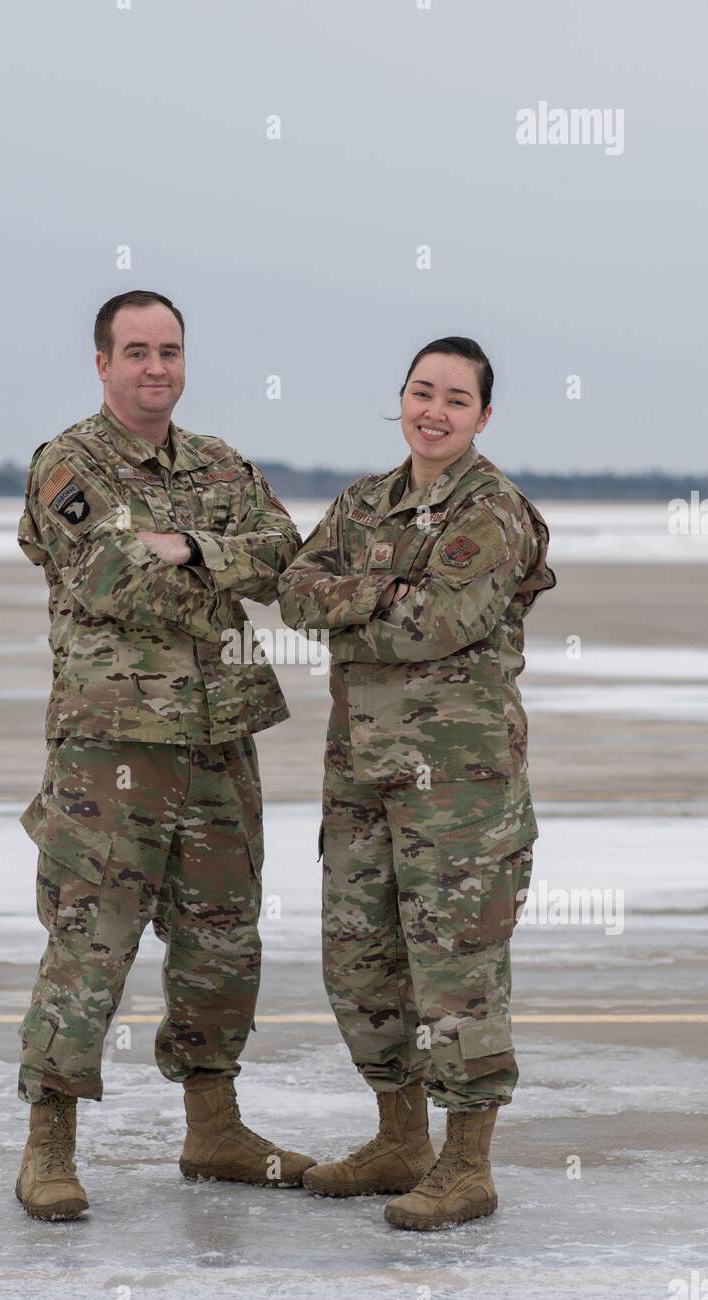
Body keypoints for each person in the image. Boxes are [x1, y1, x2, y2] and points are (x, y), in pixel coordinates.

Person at [15, 290, 315, 1220]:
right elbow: (109, 577)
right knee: (90, 939)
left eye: (170, 350)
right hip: (114, 747)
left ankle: (213, 1126)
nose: (156, 368)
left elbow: (287, 561)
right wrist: (213, 571)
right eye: (137, 351)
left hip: (219, 739)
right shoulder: (69, 462)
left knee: (223, 940)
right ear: (101, 363)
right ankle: (49, 1144)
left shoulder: (219, 461)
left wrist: (186, 546)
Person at [277, 336, 556, 1230]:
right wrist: (382, 591)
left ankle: (467, 1164)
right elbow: (293, 590)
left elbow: (433, 625)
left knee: (457, 973)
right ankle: (400, 1139)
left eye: (455, 399)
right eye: (421, 391)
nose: (433, 411)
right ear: (400, 397)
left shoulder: (494, 511)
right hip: (361, 778)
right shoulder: (364, 501)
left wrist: (354, 604)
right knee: (361, 966)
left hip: (459, 792)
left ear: (481, 416)